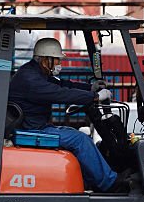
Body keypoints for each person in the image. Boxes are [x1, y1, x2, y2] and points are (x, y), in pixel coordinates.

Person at [8, 37, 118, 192]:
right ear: (47, 60)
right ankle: (110, 185)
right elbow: (61, 94)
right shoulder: (31, 80)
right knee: (80, 140)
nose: (60, 64)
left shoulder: (34, 72)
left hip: (35, 126)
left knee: (77, 135)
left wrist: (90, 88)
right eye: (57, 60)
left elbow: (62, 85)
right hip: (33, 130)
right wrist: (95, 97)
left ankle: (89, 182)